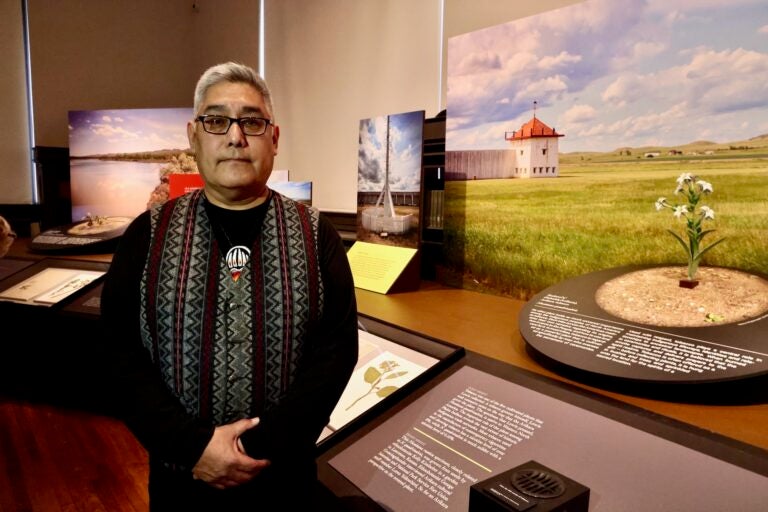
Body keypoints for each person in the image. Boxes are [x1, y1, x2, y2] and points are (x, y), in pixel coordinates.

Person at [100, 61, 358, 510]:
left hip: (284, 482)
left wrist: (255, 450)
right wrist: (193, 448)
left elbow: (334, 355)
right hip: (181, 481)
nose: (235, 137)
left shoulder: (317, 235)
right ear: (193, 135)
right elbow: (120, 354)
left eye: (252, 122)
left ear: (273, 139)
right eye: (217, 120)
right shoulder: (148, 234)